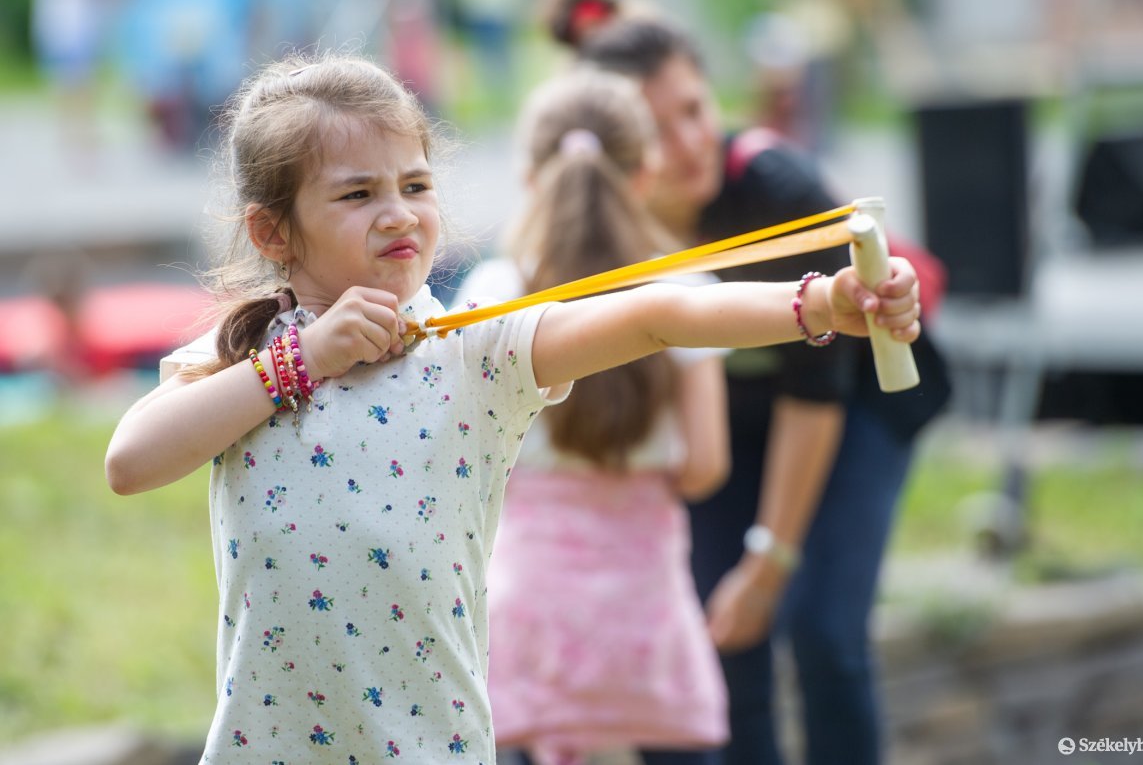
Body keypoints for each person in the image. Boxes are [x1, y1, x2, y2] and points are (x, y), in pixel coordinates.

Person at [103, 51, 922, 764]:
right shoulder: (250, 355)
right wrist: (304, 361)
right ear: (272, 232)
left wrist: (820, 303)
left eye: (415, 184)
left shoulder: (474, 351)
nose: (399, 211)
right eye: (356, 195)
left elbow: (656, 314)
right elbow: (130, 463)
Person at [542, 0, 951, 765]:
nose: (691, 143)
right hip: (732, 419)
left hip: (857, 402)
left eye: (695, 110)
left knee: (821, 628)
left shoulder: (777, 192)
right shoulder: (604, 231)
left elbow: (815, 393)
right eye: (657, 131)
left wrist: (770, 561)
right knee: (714, 631)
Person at [456, 69, 730, 765]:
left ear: (528, 176)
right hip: (645, 625)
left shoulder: (494, 294)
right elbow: (705, 467)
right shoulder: (688, 294)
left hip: (528, 622)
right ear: (646, 173)